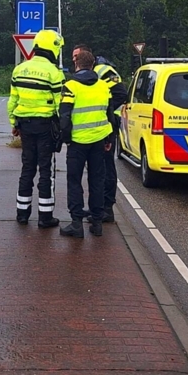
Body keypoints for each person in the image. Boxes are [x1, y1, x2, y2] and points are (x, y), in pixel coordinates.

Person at [8, 29, 65, 228]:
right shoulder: (54, 73)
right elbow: (60, 105)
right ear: (53, 48)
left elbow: (13, 100)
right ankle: (45, 216)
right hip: (45, 127)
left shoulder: (19, 69)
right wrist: (62, 129)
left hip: (24, 125)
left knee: (27, 168)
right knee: (46, 170)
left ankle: (22, 214)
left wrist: (14, 123)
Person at [59, 48, 114, 238]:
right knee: (97, 181)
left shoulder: (70, 86)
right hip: (99, 140)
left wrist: (67, 139)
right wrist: (108, 139)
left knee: (74, 181)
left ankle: (76, 224)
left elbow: (64, 116)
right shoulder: (103, 86)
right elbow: (109, 115)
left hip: (77, 142)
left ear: (76, 64)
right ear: (93, 65)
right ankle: (97, 223)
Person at [94, 55, 128, 223]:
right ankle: (100, 207)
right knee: (99, 167)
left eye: (77, 56)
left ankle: (107, 208)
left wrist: (104, 110)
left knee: (107, 167)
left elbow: (121, 94)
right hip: (101, 125)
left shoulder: (103, 70)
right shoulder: (94, 71)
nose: (74, 60)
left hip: (109, 125)